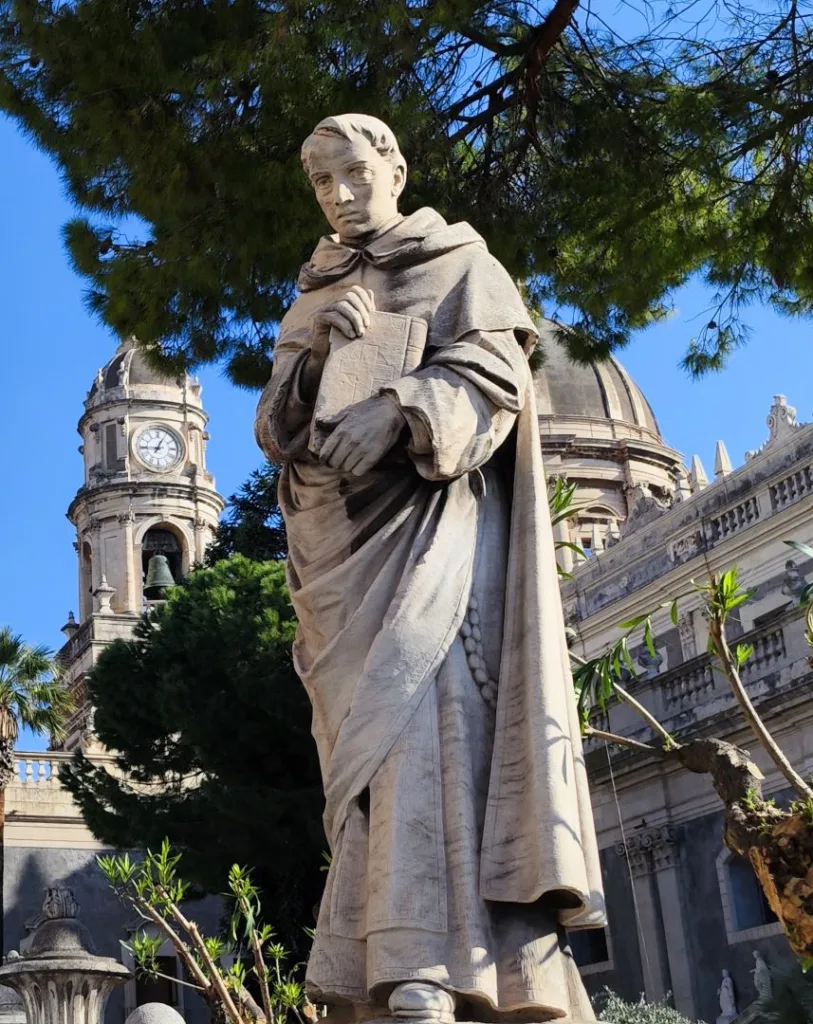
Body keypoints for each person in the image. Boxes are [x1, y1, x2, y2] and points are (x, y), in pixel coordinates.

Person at [256, 113, 605, 1024]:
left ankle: (440, 968)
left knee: (435, 732)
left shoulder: (462, 266)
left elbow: (496, 374)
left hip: (434, 543)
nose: (337, 194)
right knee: (361, 767)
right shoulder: (313, 291)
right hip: (339, 557)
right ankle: (367, 960)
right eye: (320, 183)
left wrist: (406, 409)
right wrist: (313, 362)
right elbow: (275, 431)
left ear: (396, 168)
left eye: (352, 174)